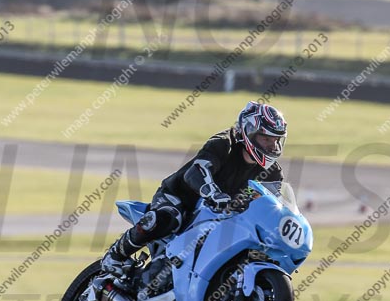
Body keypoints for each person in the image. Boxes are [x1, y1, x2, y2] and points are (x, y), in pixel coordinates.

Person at [100, 100, 287, 281]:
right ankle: (115, 255)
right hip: (179, 197)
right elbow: (196, 173)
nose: (272, 146)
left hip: (221, 217)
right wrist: (213, 193)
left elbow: (273, 204)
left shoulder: (273, 172)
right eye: (266, 138)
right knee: (167, 218)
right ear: (249, 132)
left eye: (276, 140)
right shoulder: (224, 143)